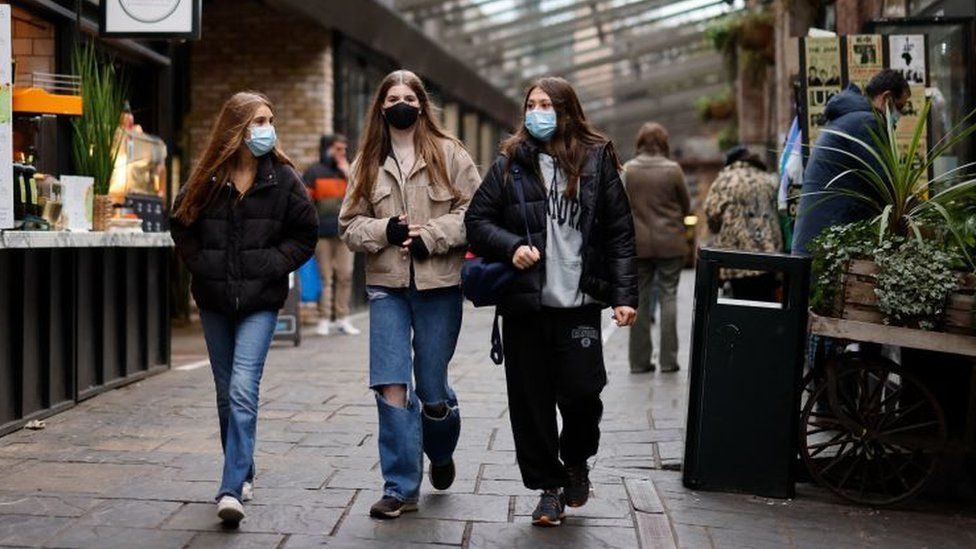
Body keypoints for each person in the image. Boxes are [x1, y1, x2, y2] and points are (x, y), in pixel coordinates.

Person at [465, 77, 638, 527]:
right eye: (531, 104)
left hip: (579, 304)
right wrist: (509, 247)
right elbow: (476, 220)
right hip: (526, 305)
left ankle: (577, 459)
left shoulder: (597, 161)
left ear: (567, 111)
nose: (536, 111)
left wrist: (623, 295)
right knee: (531, 403)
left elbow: (619, 233)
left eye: (546, 104)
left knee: (583, 392)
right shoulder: (509, 164)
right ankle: (549, 488)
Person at [339, 70, 480, 520]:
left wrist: (431, 235)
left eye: (409, 96)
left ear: (421, 104)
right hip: (387, 287)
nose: (401, 103)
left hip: (439, 284)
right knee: (391, 386)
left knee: (433, 390)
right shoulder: (366, 162)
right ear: (381, 106)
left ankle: (440, 452)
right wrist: (386, 229)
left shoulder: (450, 154)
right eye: (392, 97)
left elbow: (474, 213)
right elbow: (348, 226)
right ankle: (399, 487)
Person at [171, 91, 317, 525]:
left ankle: (230, 487)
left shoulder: (283, 179)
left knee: (241, 387)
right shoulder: (207, 176)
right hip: (215, 300)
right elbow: (180, 222)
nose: (266, 129)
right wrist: (203, 264)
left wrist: (273, 264)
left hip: (260, 301)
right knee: (223, 393)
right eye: (258, 121)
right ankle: (244, 468)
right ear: (236, 128)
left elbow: (305, 234)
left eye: (269, 120)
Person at [792, 69, 911, 255]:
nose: (900, 115)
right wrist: (918, 210)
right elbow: (887, 185)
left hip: (817, 239)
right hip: (826, 244)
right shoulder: (867, 123)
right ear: (887, 98)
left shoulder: (848, 119)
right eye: (900, 106)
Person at [622, 122, 690, 374]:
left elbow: (620, 207)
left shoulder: (628, 170)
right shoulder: (673, 169)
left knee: (638, 299)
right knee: (668, 295)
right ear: (663, 143)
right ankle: (668, 361)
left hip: (638, 244)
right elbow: (687, 205)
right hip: (670, 242)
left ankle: (639, 362)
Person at [704, 146, 783, 301]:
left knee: (741, 304)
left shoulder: (725, 180)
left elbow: (711, 213)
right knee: (766, 303)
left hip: (737, 256)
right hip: (768, 254)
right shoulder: (767, 179)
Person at [303, 134, 359, 336]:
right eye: (337, 148)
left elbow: (362, 196)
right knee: (325, 277)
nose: (342, 152)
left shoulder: (349, 171)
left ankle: (343, 318)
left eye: (344, 148)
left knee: (345, 275)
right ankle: (324, 319)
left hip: (345, 233)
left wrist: (348, 173)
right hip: (322, 234)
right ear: (327, 149)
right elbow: (304, 202)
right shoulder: (313, 172)